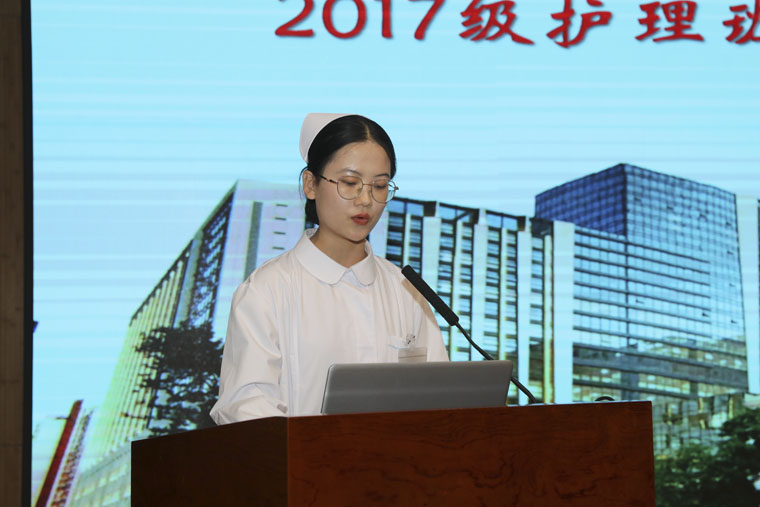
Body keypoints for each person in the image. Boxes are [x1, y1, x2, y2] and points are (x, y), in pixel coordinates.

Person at [210, 113, 449, 424]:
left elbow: (440, 399)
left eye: (379, 186)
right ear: (311, 184)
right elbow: (247, 409)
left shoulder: (406, 291)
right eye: (350, 183)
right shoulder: (267, 290)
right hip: (299, 457)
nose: (366, 200)